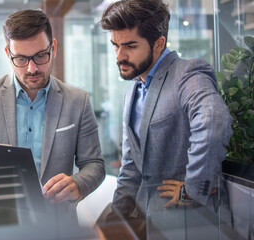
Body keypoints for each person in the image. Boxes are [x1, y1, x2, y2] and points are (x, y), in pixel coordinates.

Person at [0, 9, 105, 222]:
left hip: (55, 224)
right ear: (8, 53)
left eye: (40, 56)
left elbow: (94, 164)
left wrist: (78, 183)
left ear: (53, 47)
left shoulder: (78, 100)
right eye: (21, 58)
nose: (32, 68)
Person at [99, 0, 232, 238]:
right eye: (115, 46)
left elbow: (213, 123)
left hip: (192, 224)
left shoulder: (188, 74)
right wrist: (112, 220)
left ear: (159, 43)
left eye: (130, 46)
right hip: (149, 225)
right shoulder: (134, 90)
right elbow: (131, 164)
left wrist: (193, 188)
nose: (120, 55)